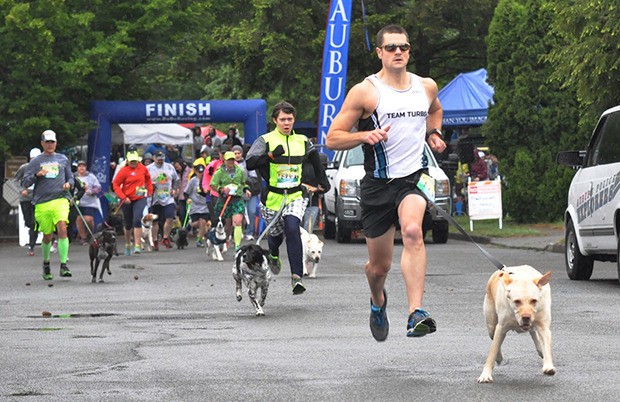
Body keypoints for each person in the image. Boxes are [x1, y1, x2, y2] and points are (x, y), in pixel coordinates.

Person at [325, 24, 447, 341]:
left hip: (413, 179)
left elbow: (435, 110)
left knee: (412, 231)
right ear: (379, 52)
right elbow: (332, 138)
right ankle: (377, 301)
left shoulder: (426, 86)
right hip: (378, 185)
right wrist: (364, 135)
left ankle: (415, 312)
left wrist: (433, 133)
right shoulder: (366, 91)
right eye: (391, 47)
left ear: (409, 51)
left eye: (403, 47)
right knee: (379, 268)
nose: (398, 52)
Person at [246, 101, 330, 295]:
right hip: (273, 197)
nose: (286, 123)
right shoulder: (265, 140)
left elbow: (316, 162)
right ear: (275, 120)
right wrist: (269, 156)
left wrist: (323, 181)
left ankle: (297, 278)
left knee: (292, 228)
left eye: (290, 119)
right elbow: (250, 163)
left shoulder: (301, 140)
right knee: (275, 237)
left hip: (295, 194)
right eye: (282, 119)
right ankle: (274, 254)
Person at [21, 130, 75, 280]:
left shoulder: (62, 159)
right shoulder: (36, 161)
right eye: (47, 142)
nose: (50, 144)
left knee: (62, 227)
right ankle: (46, 263)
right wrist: (37, 175)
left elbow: (71, 178)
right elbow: (25, 183)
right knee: (47, 236)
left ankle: (63, 265)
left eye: (52, 142)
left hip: (61, 199)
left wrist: (68, 184)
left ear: (56, 143)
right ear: (42, 143)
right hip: (42, 202)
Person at [112, 149, 153, 256]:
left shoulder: (142, 168)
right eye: (131, 161)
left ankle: (138, 245)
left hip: (140, 198)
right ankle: (128, 244)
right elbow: (115, 185)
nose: (133, 163)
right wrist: (123, 197)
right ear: (128, 161)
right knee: (128, 223)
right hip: (127, 199)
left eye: (135, 161)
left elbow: (148, 179)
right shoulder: (123, 171)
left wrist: (150, 190)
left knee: (137, 219)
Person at [210, 151, 251, 252]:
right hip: (224, 200)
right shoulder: (219, 172)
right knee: (227, 225)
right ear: (224, 160)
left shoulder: (239, 171)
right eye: (229, 160)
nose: (231, 161)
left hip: (237, 199)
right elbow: (213, 185)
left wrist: (246, 189)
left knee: (237, 222)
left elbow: (243, 183)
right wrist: (221, 189)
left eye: (233, 159)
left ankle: (237, 246)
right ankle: (226, 240)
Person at [147, 150, 180, 250]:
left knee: (170, 217)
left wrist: (174, 189)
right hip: (154, 198)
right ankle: (155, 240)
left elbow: (176, 180)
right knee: (155, 221)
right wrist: (149, 187)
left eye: (162, 159)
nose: (160, 161)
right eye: (158, 159)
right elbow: (143, 181)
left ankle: (165, 237)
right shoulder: (148, 169)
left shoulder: (169, 167)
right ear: (154, 158)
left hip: (167, 196)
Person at [14, 147, 42, 256]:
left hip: (38, 198)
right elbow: (15, 180)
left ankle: (31, 246)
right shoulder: (24, 168)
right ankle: (33, 234)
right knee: (28, 221)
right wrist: (22, 190)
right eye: (33, 158)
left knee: (34, 221)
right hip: (25, 198)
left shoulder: (42, 169)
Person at [74, 160, 102, 245]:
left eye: (83, 166)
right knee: (79, 219)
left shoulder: (91, 177)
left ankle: (90, 233)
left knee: (88, 219)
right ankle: (83, 238)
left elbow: (98, 187)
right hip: (78, 202)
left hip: (90, 202)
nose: (81, 168)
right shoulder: (73, 177)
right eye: (79, 166)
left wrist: (92, 191)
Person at [301, 153, 330, 233]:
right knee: (295, 227)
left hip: (312, 202)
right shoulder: (297, 166)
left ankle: (306, 244)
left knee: (308, 229)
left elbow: (326, 186)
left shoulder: (318, 168)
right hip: (297, 201)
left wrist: (318, 189)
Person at [184, 164, 211, 247]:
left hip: (205, 205)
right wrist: (188, 199)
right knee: (198, 222)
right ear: (196, 172)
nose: (201, 174)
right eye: (199, 172)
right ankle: (190, 226)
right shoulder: (193, 181)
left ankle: (199, 239)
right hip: (195, 205)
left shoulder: (207, 180)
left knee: (203, 221)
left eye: (202, 172)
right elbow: (186, 192)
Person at [173, 158, 192, 225]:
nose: (177, 168)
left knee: (189, 213)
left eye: (178, 166)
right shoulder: (177, 174)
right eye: (176, 167)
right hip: (181, 197)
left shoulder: (190, 171)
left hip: (188, 196)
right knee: (181, 213)